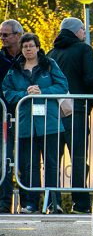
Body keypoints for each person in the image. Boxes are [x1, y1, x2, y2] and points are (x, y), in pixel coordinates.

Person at [3, 33, 69, 214]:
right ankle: (30, 204)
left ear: (38, 47)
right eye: (25, 47)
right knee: (28, 166)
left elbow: (62, 85)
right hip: (26, 125)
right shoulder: (15, 68)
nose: (28, 49)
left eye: (31, 46)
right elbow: (7, 91)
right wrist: (25, 94)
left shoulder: (49, 64)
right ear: (22, 49)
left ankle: (53, 203)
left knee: (51, 164)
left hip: (49, 124)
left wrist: (42, 91)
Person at [47, 17, 93, 214]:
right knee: (78, 156)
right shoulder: (84, 49)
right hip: (77, 111)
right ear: (76, 31)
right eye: (83, 30)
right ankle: (81, 203)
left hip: (53, 113)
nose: (84, 33)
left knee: (54, 159)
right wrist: (90, 103)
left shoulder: (51, 53)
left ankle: (54, 202)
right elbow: (90, 77)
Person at [0, 19, 23, 213]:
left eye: (5, 35)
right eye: (1, 34)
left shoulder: (31, 56)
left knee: (26, 160)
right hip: (3, 117)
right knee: (4, 160)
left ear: (18, 36)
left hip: (26, 116)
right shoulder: (0, 58)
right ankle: (4, 204)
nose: (2, 38)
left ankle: (29, 204)